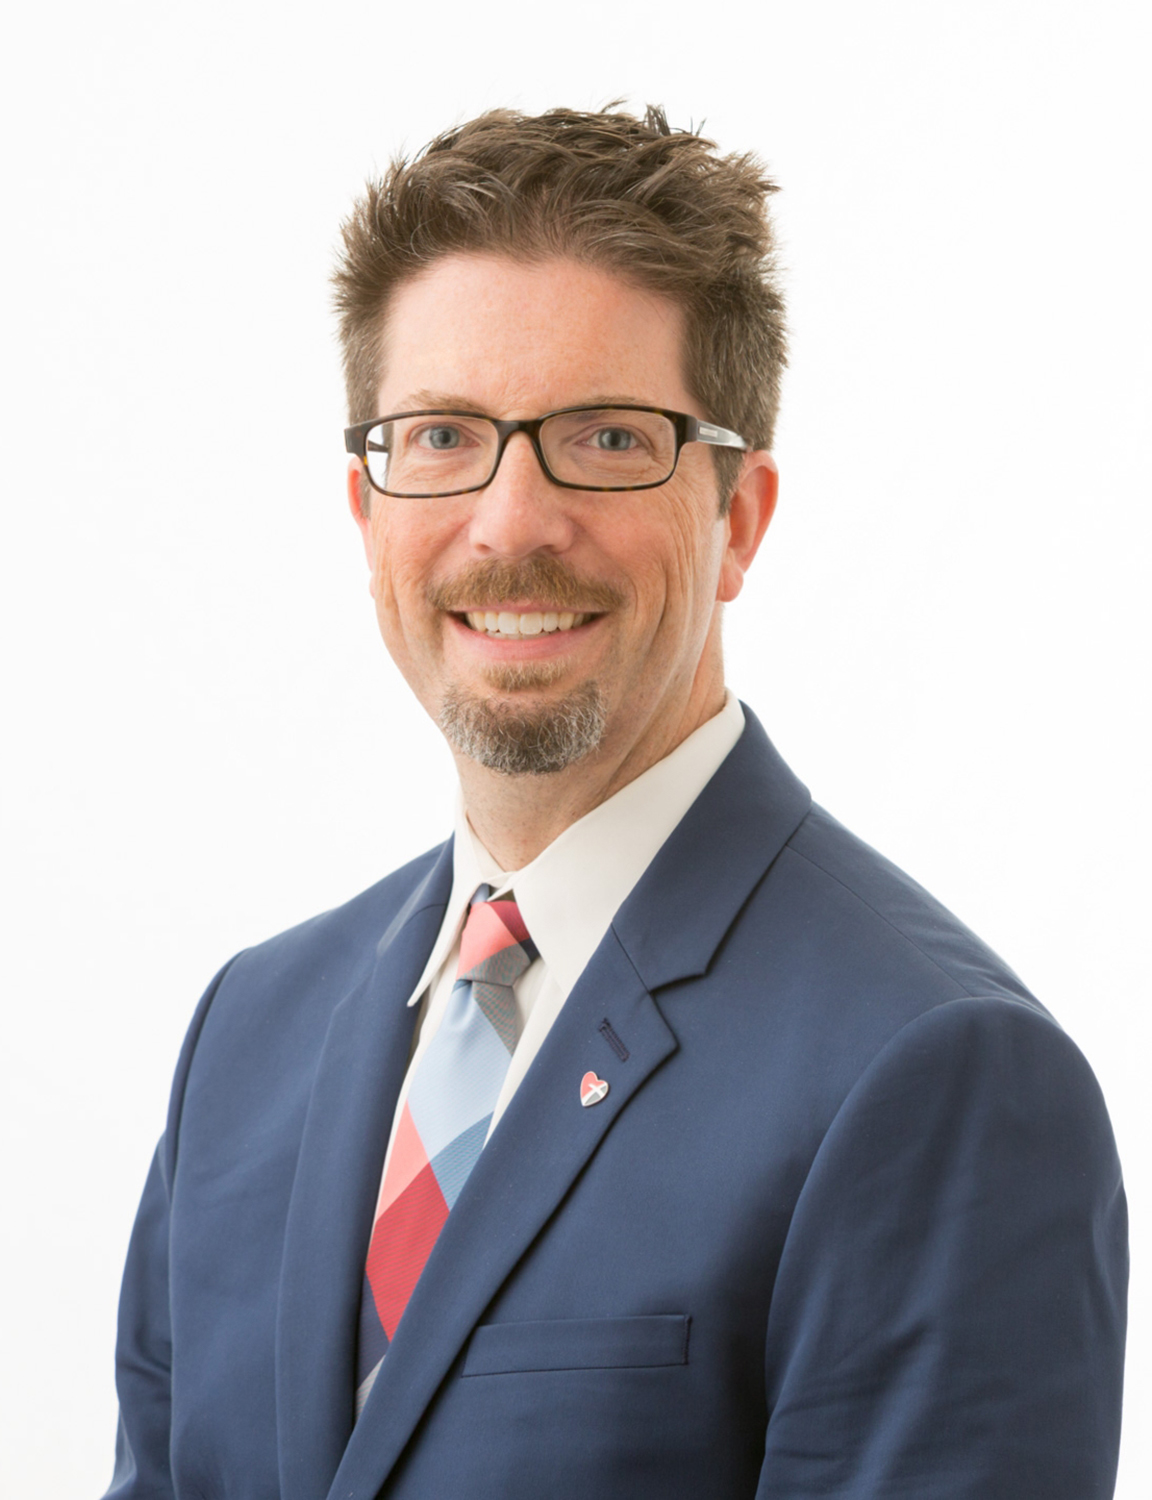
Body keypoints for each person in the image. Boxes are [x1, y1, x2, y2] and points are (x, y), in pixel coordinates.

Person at [104, 105, 1127, 1500]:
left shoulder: (937, 1076)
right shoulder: (249, 1036)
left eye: (602, 438)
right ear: (367, 511)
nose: (511, 522)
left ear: (739, 519)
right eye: (443, 435)